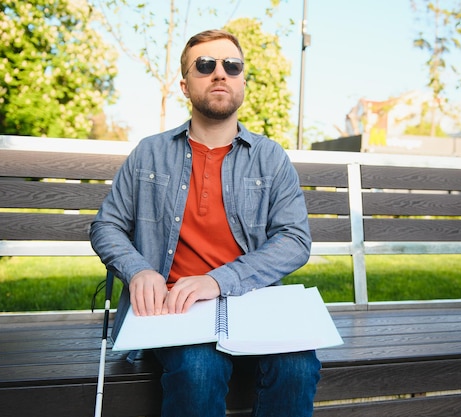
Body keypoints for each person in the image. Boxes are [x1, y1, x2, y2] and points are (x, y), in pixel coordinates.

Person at [90, 29, 321, 417]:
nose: (220, 74)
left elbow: (296, 239)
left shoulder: (270, 157)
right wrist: (138, 271)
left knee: (297, 366)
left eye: (231, 66)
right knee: (198, 370)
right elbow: (106, 226)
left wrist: (218, 281)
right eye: (205, 65)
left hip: (252, 302)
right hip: (174, 308)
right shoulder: (149, 152)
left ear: (242, 80)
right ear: (185, 85)